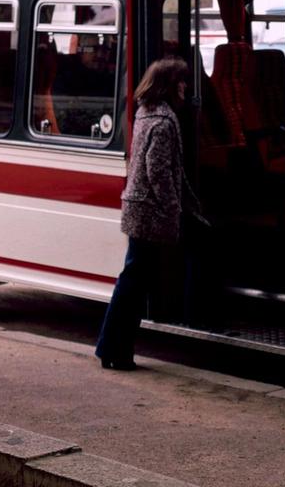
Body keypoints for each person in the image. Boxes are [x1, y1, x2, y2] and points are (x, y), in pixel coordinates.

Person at [95, 57, 189, 370]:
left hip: (138, 207)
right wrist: (172, 205)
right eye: (181, 82)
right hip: (149, 211)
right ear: (169, 85)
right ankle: (114, 350)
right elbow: (157, 169)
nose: (185, 87)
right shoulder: (163, 122)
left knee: (131, 282)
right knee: (134, 284)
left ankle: (114, 350)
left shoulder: (146, 112)